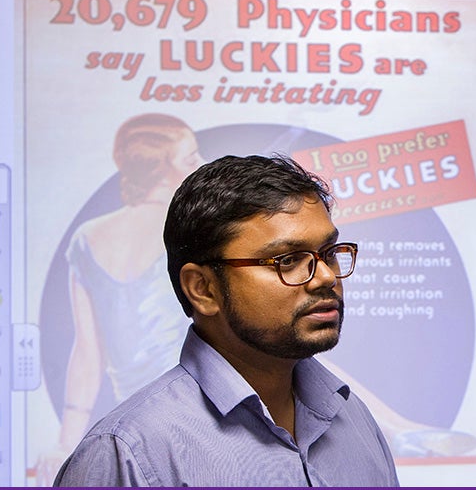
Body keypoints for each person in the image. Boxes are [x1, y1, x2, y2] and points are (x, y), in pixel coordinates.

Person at [53, 154, 399, 486]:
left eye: (328, 254)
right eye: (288, 260)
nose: (325, 276)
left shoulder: (355, 421)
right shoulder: (129, 453)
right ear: (202, 289)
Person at [36, 113, 202, 484]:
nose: (202, 165)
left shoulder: (88, 237)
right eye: (191, 159)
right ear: (162, 172)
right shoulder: (190, 233)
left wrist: (65, 444)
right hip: (198, 414)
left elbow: (87, 351)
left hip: (129, 420)